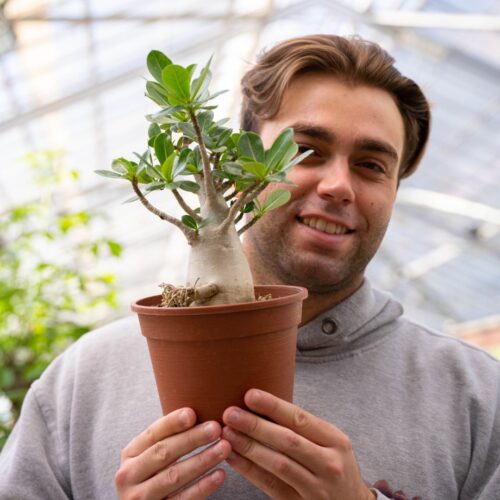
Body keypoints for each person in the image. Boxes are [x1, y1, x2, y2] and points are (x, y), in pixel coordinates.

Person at [1, 34, 499, 500]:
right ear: (236, 166)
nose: (337, 185)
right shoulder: (85, 380)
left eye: (371, 165)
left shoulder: (475, 397)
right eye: (305, 150)